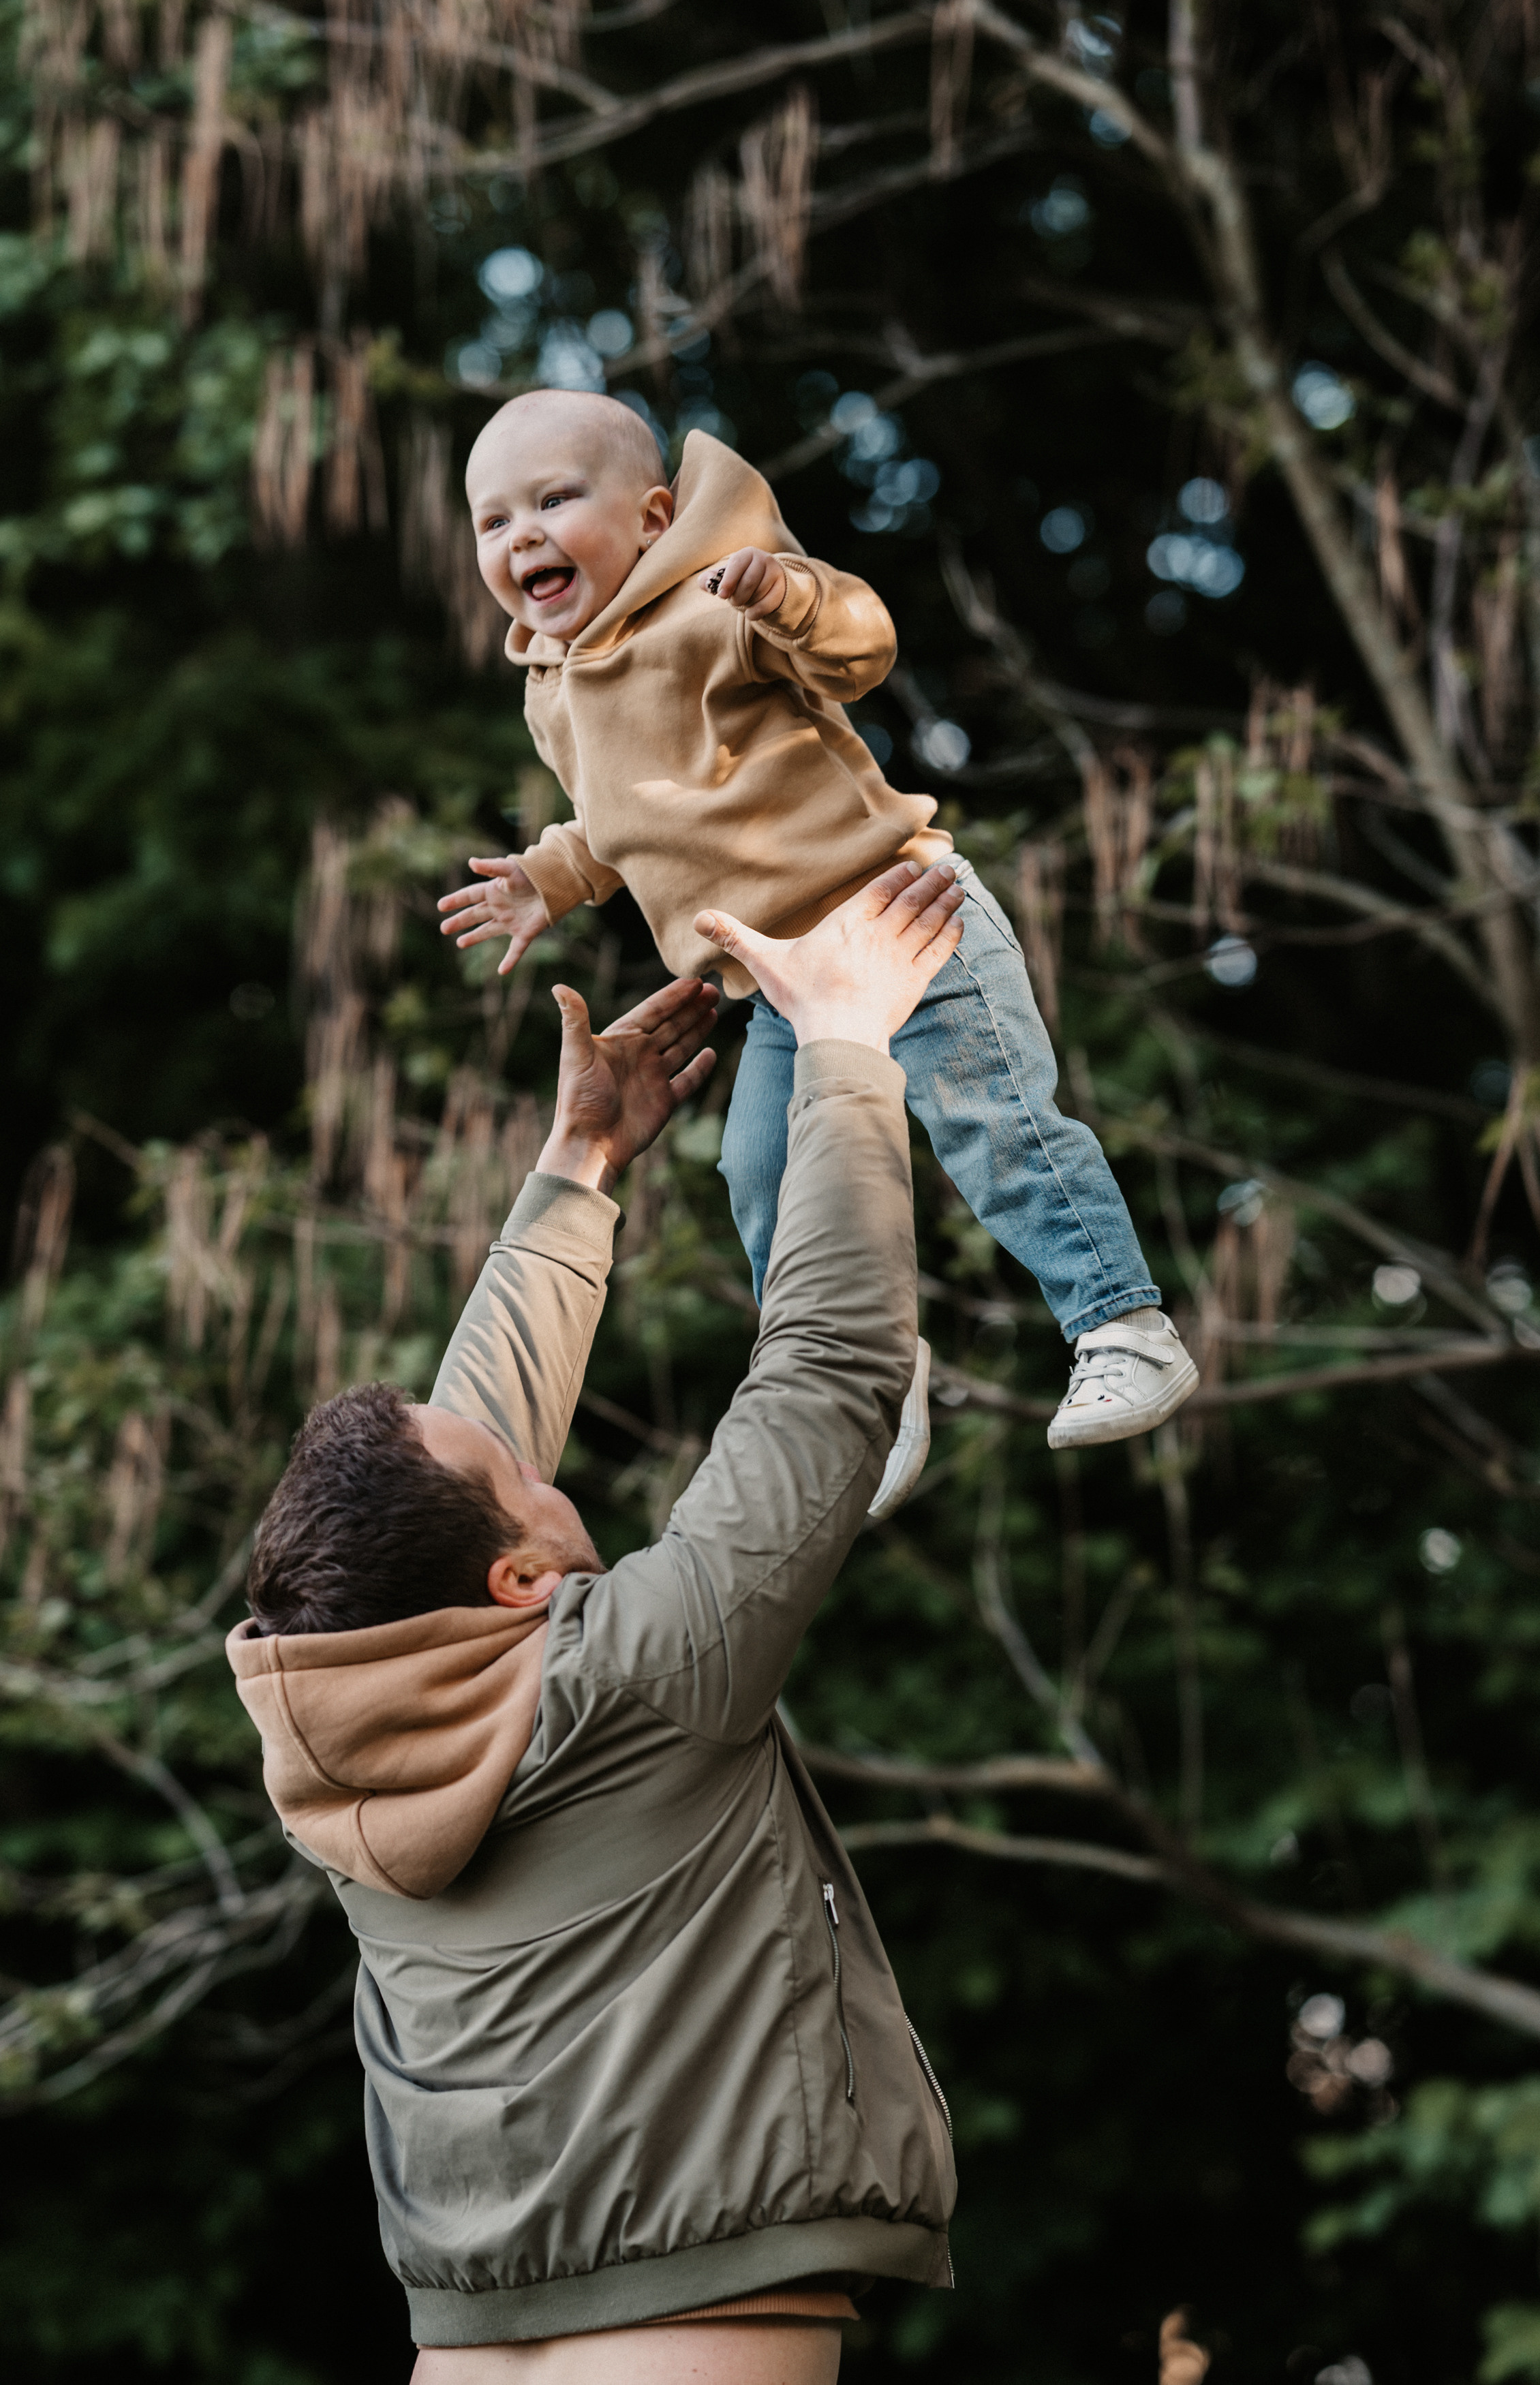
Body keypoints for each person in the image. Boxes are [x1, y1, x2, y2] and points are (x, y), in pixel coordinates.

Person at [229, 861, 968, 2383]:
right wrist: (845, 1045)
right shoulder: (638, 1676)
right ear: (515, 1583)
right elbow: (830, 1370)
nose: (536, 1461)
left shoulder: (329, 1748)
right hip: (691, 2328)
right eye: (525, 1480)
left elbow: (458, 1473)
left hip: (464, 2337)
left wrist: (579, 1164)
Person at [436, 392, 1199, 1512]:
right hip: (783, 988)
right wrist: (547, 879)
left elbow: (858, 646)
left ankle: (1121, 1325)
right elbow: (617, 818)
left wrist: (789, 597)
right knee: (759, 1179)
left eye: (554, 501)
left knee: (993, 1123)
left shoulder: (715, 597)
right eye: (495, 521)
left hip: (896, 916)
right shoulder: (554, 688)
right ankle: (866, 1378)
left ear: (653, 519)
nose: (523, 537)